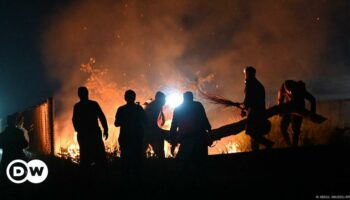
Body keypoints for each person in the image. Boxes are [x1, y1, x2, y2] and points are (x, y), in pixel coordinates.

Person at [170, 91, 211, 187]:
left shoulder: (178, 109)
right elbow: (204, 119)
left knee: (183, 164)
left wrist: (173, 141)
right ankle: (201, 185)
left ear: (183, 98)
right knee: (200, 164)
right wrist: (210, 133)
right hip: (199, 138)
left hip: (186, 140)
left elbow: (174, 126)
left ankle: (183, 186)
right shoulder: (197, 106)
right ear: (191, 98)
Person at [72, 87, 108, 179]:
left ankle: (87, 177)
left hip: (85, 135)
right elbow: (102, 117)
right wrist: (105, 129)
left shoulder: (78, 106)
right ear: (87, 94)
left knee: (85, 156)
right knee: (99, 155)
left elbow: (74, 120)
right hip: (94, 133)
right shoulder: (93, 104)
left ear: (79, 95)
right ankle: (101, 176)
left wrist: (78, 130)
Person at [115, 90, 147, 187]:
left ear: (125, 98)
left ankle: (126, 182)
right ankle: (138, 183)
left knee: (126, 161)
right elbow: (146, 121)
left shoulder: (121, 109)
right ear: (134, 98)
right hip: (137, 139)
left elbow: (116, 124)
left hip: (125, 138)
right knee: (137, 161)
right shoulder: (139, 109)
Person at [241, 66, 274, 151]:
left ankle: (268, 144)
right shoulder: (258, 84)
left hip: (254, 113)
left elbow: (248, 99)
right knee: (255, 135)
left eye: (245, 74)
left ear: (248, 74)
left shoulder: (250, 83)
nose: (245, 75)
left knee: (251, 131)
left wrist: (244, 109)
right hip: (260, 111)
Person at [278, 80, 316, 146]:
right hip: (288, 108)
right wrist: (280, 111)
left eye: (293, 91)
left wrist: (312, 113)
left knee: (295, 130)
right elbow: (280, 100)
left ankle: (294, 146)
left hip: (299, 109)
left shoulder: (300, 89)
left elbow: (312, 99)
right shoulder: (282, 88)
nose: (292, 93)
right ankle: (289, 145)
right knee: (282, 127)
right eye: (290, 92)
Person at [0, 114, 28, 182]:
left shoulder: (3, 134)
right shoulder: (19, 132)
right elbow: (25, 144)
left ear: (7, 122)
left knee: (6, 179)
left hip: (6, 159)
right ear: (15, 122)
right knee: (20, 179)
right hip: (18, 158)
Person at [143, 91, 167, 159]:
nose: (165, 101)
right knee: (160, 152)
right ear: (160, 99)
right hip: (152, 132)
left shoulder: (152, 104)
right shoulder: (156, 106)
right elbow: (152, 120)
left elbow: (143, 107)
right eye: (164, 99)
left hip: (147, 131)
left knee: (143, 149)